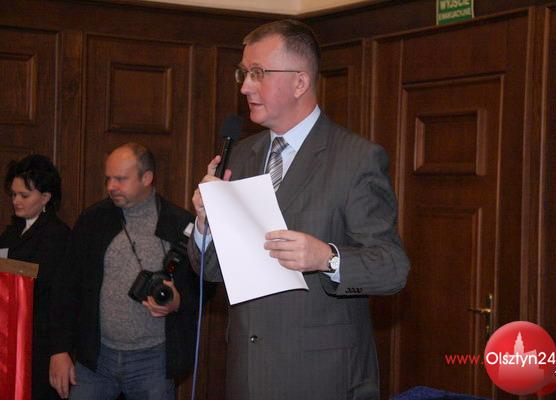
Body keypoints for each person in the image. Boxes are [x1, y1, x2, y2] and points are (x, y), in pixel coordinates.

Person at [188, 19, 410, 400]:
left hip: (321, 377)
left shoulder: (356, 159)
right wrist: (205, 224)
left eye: (257, 73)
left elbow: (392, 268)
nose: (244, 87)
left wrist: (327, 257)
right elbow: (209, 270)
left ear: (300, 82)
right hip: (246, 373)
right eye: (243, 73)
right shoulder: (241, 155)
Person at [48, 143, 198, 400]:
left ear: (146, 178)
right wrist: (59, 350)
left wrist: (178, 302)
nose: (111, 186)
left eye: (120, 179)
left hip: (153, 361)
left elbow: (205, 285)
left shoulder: (179, 224)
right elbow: (66, 286)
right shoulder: (93, 220)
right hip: (96, 359)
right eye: (108, 178)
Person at [0, 154, 70, 400]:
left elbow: (59, 297)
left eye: (24, 195)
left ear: (46, 198)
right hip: (9, 336)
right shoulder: (12, 231)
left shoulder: (57, 236)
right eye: (13, 194)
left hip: (38, 341)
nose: (16, 201)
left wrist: (59, 350)